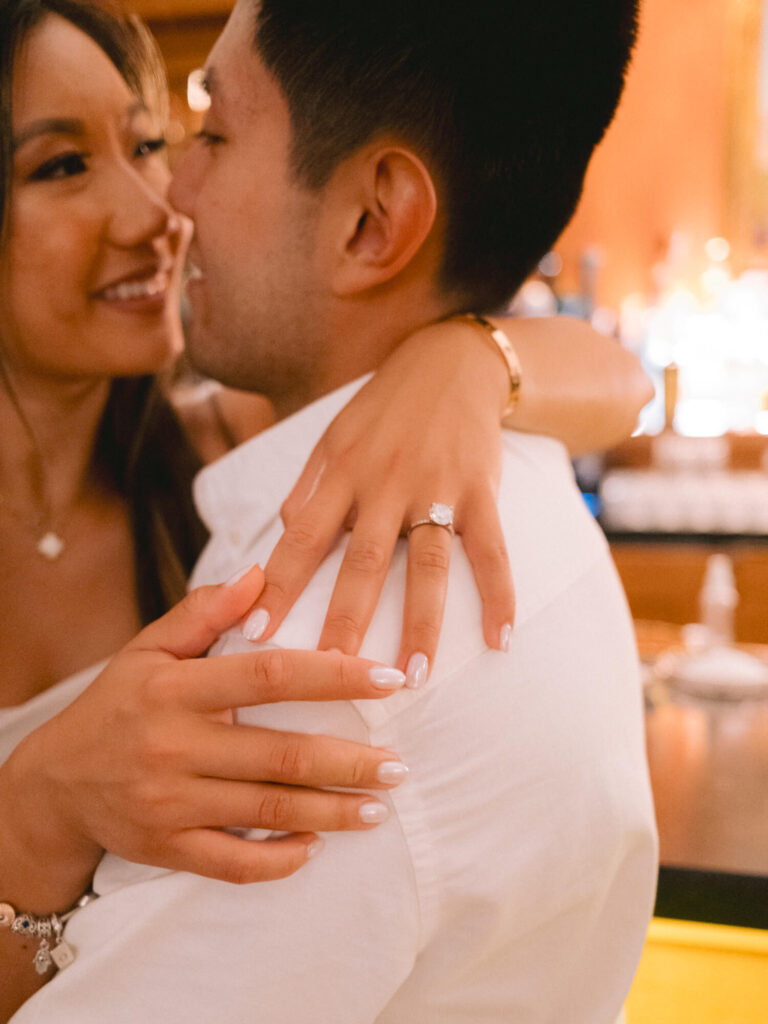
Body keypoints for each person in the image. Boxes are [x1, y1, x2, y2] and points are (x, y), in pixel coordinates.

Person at [0, 1, 653, 1019]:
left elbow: (625, 380)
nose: (162, 204)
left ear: (371, 221)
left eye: (175, 138)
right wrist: (32, 809)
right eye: (59, 167)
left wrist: (472, 359)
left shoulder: (247, 484)